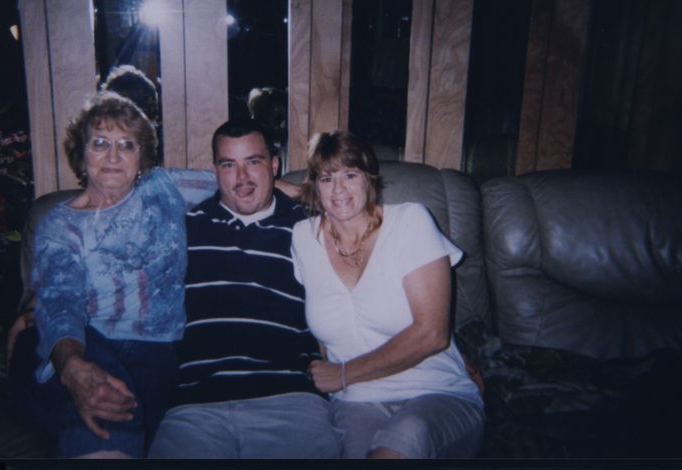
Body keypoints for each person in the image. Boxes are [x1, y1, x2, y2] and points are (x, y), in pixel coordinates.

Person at [9, 91, 216, 458]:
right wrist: (71, 363)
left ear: (142, 157)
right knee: (109, 404)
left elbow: (240, 180)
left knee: (115, 405)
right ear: (82, 154)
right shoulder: (60, 224)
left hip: (153, 349)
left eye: (127, 144)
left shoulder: (165, 189)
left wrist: (310, 191)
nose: (114, 156)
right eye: (100, 143)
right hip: (81, 340)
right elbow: (62, 299)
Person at [148, 118, 341, 458]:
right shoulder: (183, 230)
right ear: (215, 171)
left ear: (274, 165)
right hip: (196, 406)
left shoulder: (310, 227)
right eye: (228, 165)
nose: (242, 178)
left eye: (253, 162)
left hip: (290, 399)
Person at [291, 131, 485, 459]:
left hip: (434, 390)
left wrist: (343, 374)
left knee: (400, 444)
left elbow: (433, 334)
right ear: (315, 187)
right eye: (326, 179)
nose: (338, 189)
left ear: (369, 179)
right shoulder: (303, 238)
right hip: (355, 402)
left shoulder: (410, 222)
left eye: (350, 175)